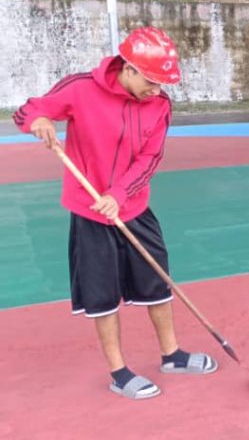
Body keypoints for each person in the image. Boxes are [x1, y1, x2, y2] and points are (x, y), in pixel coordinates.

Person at [12, 26, 217, 400]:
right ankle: (119, 372)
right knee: (101, 293)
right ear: (129, 68)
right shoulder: (81, 88)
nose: (157, 90)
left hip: (133, 207)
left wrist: (119, 194)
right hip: (90, 212)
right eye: (152, 81)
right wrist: (37, 122)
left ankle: (171, 354)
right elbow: (30, 109)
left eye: (163, 83)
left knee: (158, 282)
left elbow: (149, 158)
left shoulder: (160, 106)